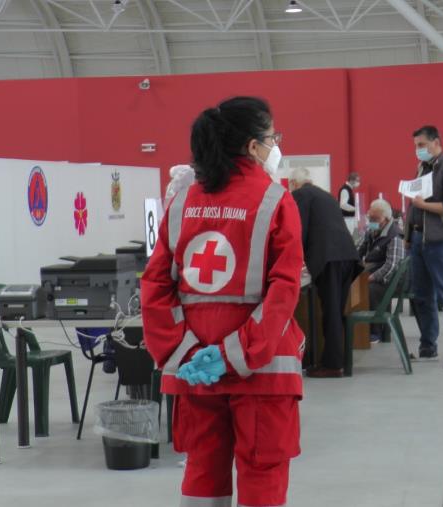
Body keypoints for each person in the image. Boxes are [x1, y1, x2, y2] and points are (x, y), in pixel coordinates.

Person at [141, 96, 304, 507]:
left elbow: (155, 285)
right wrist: (233, 355)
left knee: (202, 471)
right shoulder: (275, 201)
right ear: (252, 146)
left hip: (195, 373)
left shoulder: (182, 202)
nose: (274, 146)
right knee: (262, 474)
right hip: (261, 372)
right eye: (271, 138)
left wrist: (185, 352)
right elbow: (283, 291)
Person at [404, 125, 443, 369]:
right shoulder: (422, 169)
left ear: (436, 142)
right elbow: (413, 207)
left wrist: (422, 204)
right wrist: (408, 236)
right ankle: (428, 346)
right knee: (421, 297)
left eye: (421, 145)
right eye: (415, 146)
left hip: (441, 242)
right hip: (419, 242)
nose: (418, 150)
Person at [290, 168, 362, 378]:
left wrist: (293, 260)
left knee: (330, 312)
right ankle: (334, 359)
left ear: (294, 182)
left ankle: (332, 365)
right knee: (336, 311)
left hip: (329, 259)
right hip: (347, 256)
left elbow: (298, 230)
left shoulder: (300, 195)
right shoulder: (326, 195)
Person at [358, 198, 404, 343]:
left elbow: (391, 265)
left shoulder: (394, 235)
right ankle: (360, 329)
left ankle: (375, 331)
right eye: (370, 217)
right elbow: (360, 250)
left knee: (369, 289)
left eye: (375, 219)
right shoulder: (372, 231)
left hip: (390, 279)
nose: (372, 221)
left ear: (386, 218)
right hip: (375, 272)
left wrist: (372, 277)